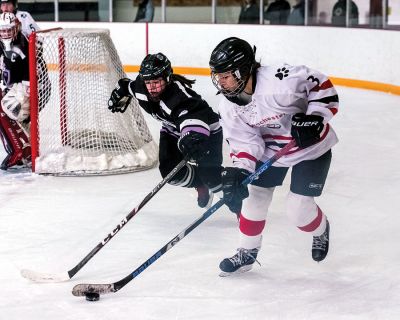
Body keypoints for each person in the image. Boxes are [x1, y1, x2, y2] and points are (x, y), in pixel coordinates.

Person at [209, 37, 339, 275]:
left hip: (310, 148)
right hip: (273, 151)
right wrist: (241, 171)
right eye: (217, 76)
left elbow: (321, 86)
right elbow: (244, 141)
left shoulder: (281, 80)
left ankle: (320, 230)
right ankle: (247, 253)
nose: (221, 82)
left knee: (298, 209)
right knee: (254, 198)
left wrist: (315, 117)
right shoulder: (228, 106)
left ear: (244, 69)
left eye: (226, 75)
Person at [108, 53, 223, 208]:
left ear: (167, 78)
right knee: (171, 173)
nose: (152, 87)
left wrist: (192, 135)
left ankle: (239, 209)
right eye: (148, 82)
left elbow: (193, 115)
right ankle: (201, 183)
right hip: (172, 128)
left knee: (213, 178)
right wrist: (120, 90)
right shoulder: (142, 88)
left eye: (156, 82)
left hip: (205, 130)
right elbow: (127, 85)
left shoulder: (178, 97)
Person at [0, 12, 31, 169]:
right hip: (16, 87)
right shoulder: (2, 44)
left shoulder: (23, 44)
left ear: (16, 28)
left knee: (8, 109)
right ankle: (25, 148)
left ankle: (18, 150)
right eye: (2, 30)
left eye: (8, 30)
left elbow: (29, 72)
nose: (5, 33)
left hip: (28, 89)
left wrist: (26, 92)